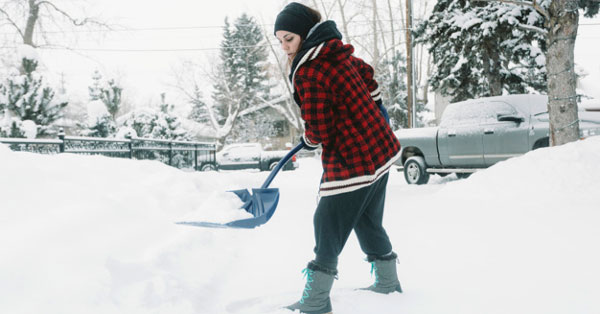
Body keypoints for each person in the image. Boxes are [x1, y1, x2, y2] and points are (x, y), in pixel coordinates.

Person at [274, 2, 403, 314]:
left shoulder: (309, 69)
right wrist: (371, 111)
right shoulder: (339, 53)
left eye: (289, 38)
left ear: (305, 34)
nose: (285, 47)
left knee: (327, 221)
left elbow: (320, 127)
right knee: (365, 218)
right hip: (381, 148)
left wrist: (309, 138)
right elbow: (370, 84)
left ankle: (317, 300)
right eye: (280, 41)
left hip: (352, 158)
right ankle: (388, 282)